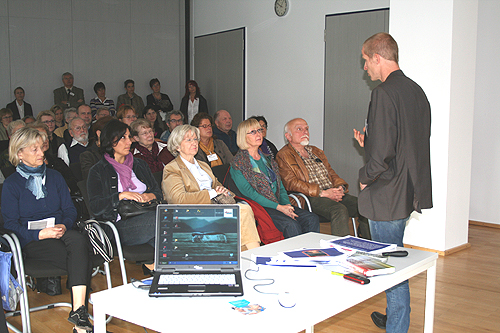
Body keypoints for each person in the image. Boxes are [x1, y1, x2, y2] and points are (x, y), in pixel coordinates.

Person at [353, 32, 432, 333]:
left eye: (365, 60)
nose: (365, 68)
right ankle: (394, 317)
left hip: (387, 194)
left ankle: (397, 326)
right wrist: (370, 144)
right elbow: (405, 143)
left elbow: (384, 155)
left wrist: (363, 178)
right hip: (408, 190)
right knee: (393, 254)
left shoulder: (383, 93)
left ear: (377, 57)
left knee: (390, 265)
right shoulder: (416, 91)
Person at [2, 127, 94, 332]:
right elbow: (10, 224)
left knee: (78, 241)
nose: (41, 153)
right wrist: (39, 234)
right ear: (19, 154)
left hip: (60, 231)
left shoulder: (54, 177)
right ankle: (80, 314)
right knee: (80, 255)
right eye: (33, 149)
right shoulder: (12, 184)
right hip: (31, 240)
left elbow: (69, 210)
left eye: (41, 147)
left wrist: (64, 224)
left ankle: (78, 311)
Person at [162, 125, 260, 250]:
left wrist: (224, 191)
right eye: (188, 140)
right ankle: (254, 254)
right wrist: (211, 193)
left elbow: (217, 185)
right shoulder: (172, 168)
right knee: (243, 211)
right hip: (194, 212)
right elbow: (177, 199)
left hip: (216, 206)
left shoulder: (203, 165)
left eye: (195, 139)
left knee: (243, 214)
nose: (194, 143)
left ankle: (247, 256)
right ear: (177, 146)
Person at [276, 118, 370, 238]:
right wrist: (322, 193)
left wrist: (339, 187)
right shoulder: (283, 155)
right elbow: (291, 183)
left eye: (306, 129)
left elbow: (331, 173)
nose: (305, 132)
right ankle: (340, 248)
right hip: (309, 197)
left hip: (330, 192)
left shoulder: (316, 151)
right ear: (288, 136)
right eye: (299, 129)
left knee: (365, 205)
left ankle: (368, 243)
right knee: (339, 210)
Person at [87, 120, 161, 269]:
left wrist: (149, 196)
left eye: (129, 137)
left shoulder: (139, 164)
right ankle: (158, 270)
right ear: (111, 141)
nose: (129, 141)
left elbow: (158, 193)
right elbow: (95, 207)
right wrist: (120, 196)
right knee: (166, 221)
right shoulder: (98, 171)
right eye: (123, 138)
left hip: (146, 215)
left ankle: (156, 271)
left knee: (164, 236)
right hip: (119, 225)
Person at [230, 118, 320, 238]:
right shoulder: (238, 163)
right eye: (253, 132)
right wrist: (280, 208)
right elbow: (251, 194)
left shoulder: (268, 159)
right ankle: (293, 255)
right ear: (243, 136)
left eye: (259, 130)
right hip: (261, 208)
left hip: (278, 204)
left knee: (311, 218)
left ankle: (310, 253)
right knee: (291, 225)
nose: (258, 134)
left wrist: (287, 206)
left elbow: (280, 187)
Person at [30, 123, 80, 195]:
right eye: (41, 137)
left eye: (46, 137)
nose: (45, 141)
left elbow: (74, 182)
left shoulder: (57, 161)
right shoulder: (29, 166)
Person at [80, 116, 113, 180]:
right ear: (99, 133)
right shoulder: (88, 155)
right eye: (112, 133)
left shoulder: (119, 151)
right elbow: (91, 179)